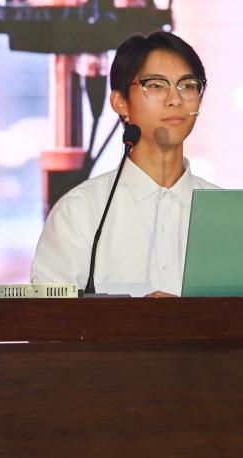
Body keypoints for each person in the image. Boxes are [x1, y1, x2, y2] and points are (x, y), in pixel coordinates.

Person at [31, 31, 219, 297]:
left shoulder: (224, 213)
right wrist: (134, 318)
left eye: (188, 85)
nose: (175, 99)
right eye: (156, 85)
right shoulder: (82, 212)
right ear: (120, 103)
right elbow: (44, 316)